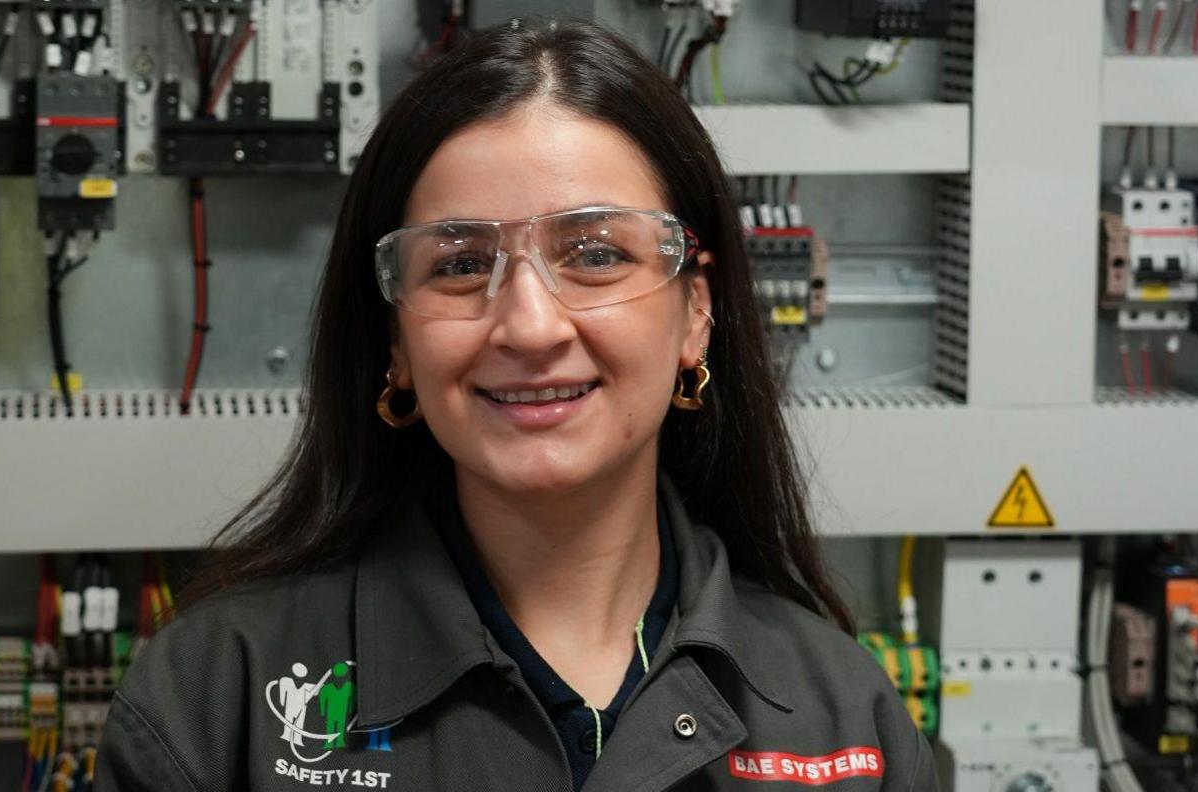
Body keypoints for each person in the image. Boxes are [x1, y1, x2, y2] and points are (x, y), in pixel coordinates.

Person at [96, 16, 938, 792]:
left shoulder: (845, 721)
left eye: (597, 254)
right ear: (396, 340)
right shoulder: (218, 702)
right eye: (460, 265)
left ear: (696, 314)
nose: (531, 326)